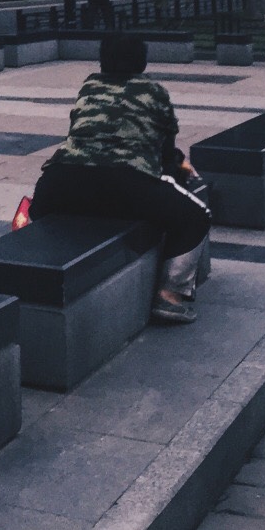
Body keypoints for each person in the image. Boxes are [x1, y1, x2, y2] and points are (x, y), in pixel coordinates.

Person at [28, 32, 210, 324]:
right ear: (143, 61)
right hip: (126, 184)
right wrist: (178, 172)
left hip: (59, 183)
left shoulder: (89, 85)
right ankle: (171, 297)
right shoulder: (155, 92)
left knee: (37, 211)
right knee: (197, 216)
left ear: (102, 61)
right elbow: (165, 152)